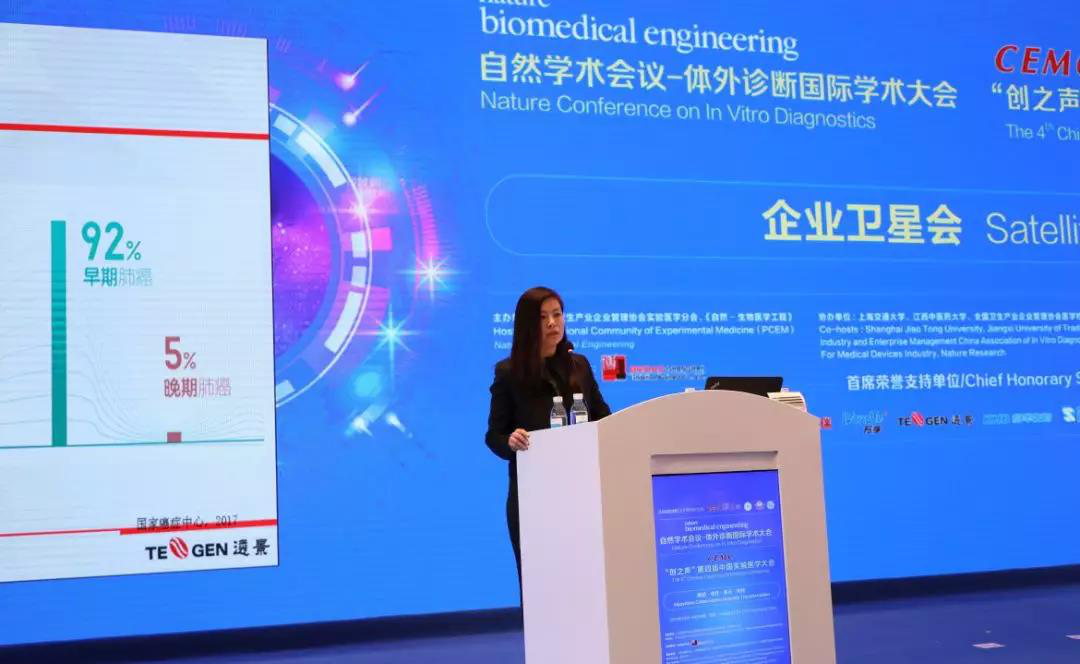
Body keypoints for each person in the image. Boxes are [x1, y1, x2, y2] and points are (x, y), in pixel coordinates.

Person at [485, 286, 612, 588]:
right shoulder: (509, 373)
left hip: (581, 493)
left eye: (557, 314)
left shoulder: (579, 366)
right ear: (528, 325)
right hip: (533, 497)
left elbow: (604, 418)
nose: (553, 323)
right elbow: (494, 435)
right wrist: (510, 442)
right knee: (540, 588)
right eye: (543, 317)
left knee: (586, 584)